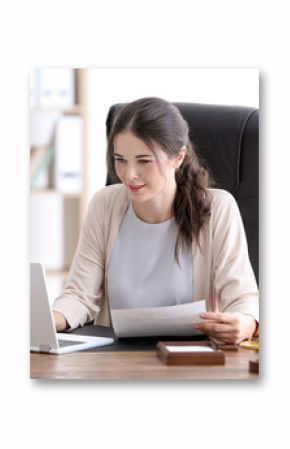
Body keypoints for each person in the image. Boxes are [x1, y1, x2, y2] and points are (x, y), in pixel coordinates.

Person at [52, 97, 259, 344]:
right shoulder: (105, 204)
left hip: (191, 358)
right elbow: (79, 295)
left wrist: (247, 323)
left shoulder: (218, 208)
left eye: (144, 161)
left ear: (178, 157)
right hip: (115, 361)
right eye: (120, 159)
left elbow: (242, 297)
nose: (129, 174)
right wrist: (48, 318)